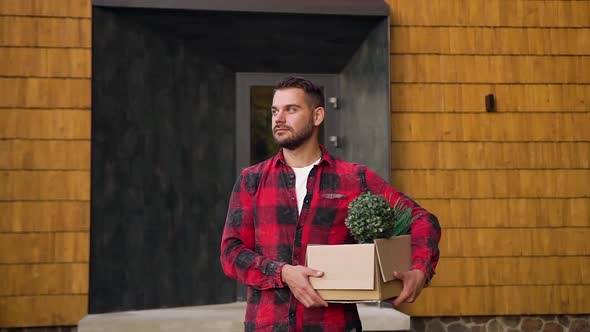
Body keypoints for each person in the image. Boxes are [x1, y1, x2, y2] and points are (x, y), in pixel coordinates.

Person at [220, 77, 441, 332]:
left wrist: (419, 269)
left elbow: (422, 220)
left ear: (317, 116)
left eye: (290, 109)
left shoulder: (353, 179)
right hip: (266, 325)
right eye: (274, 111)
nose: (278, 118)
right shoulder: (252, 179)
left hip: (333, 325)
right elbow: (231, 252)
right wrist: (282, 273)